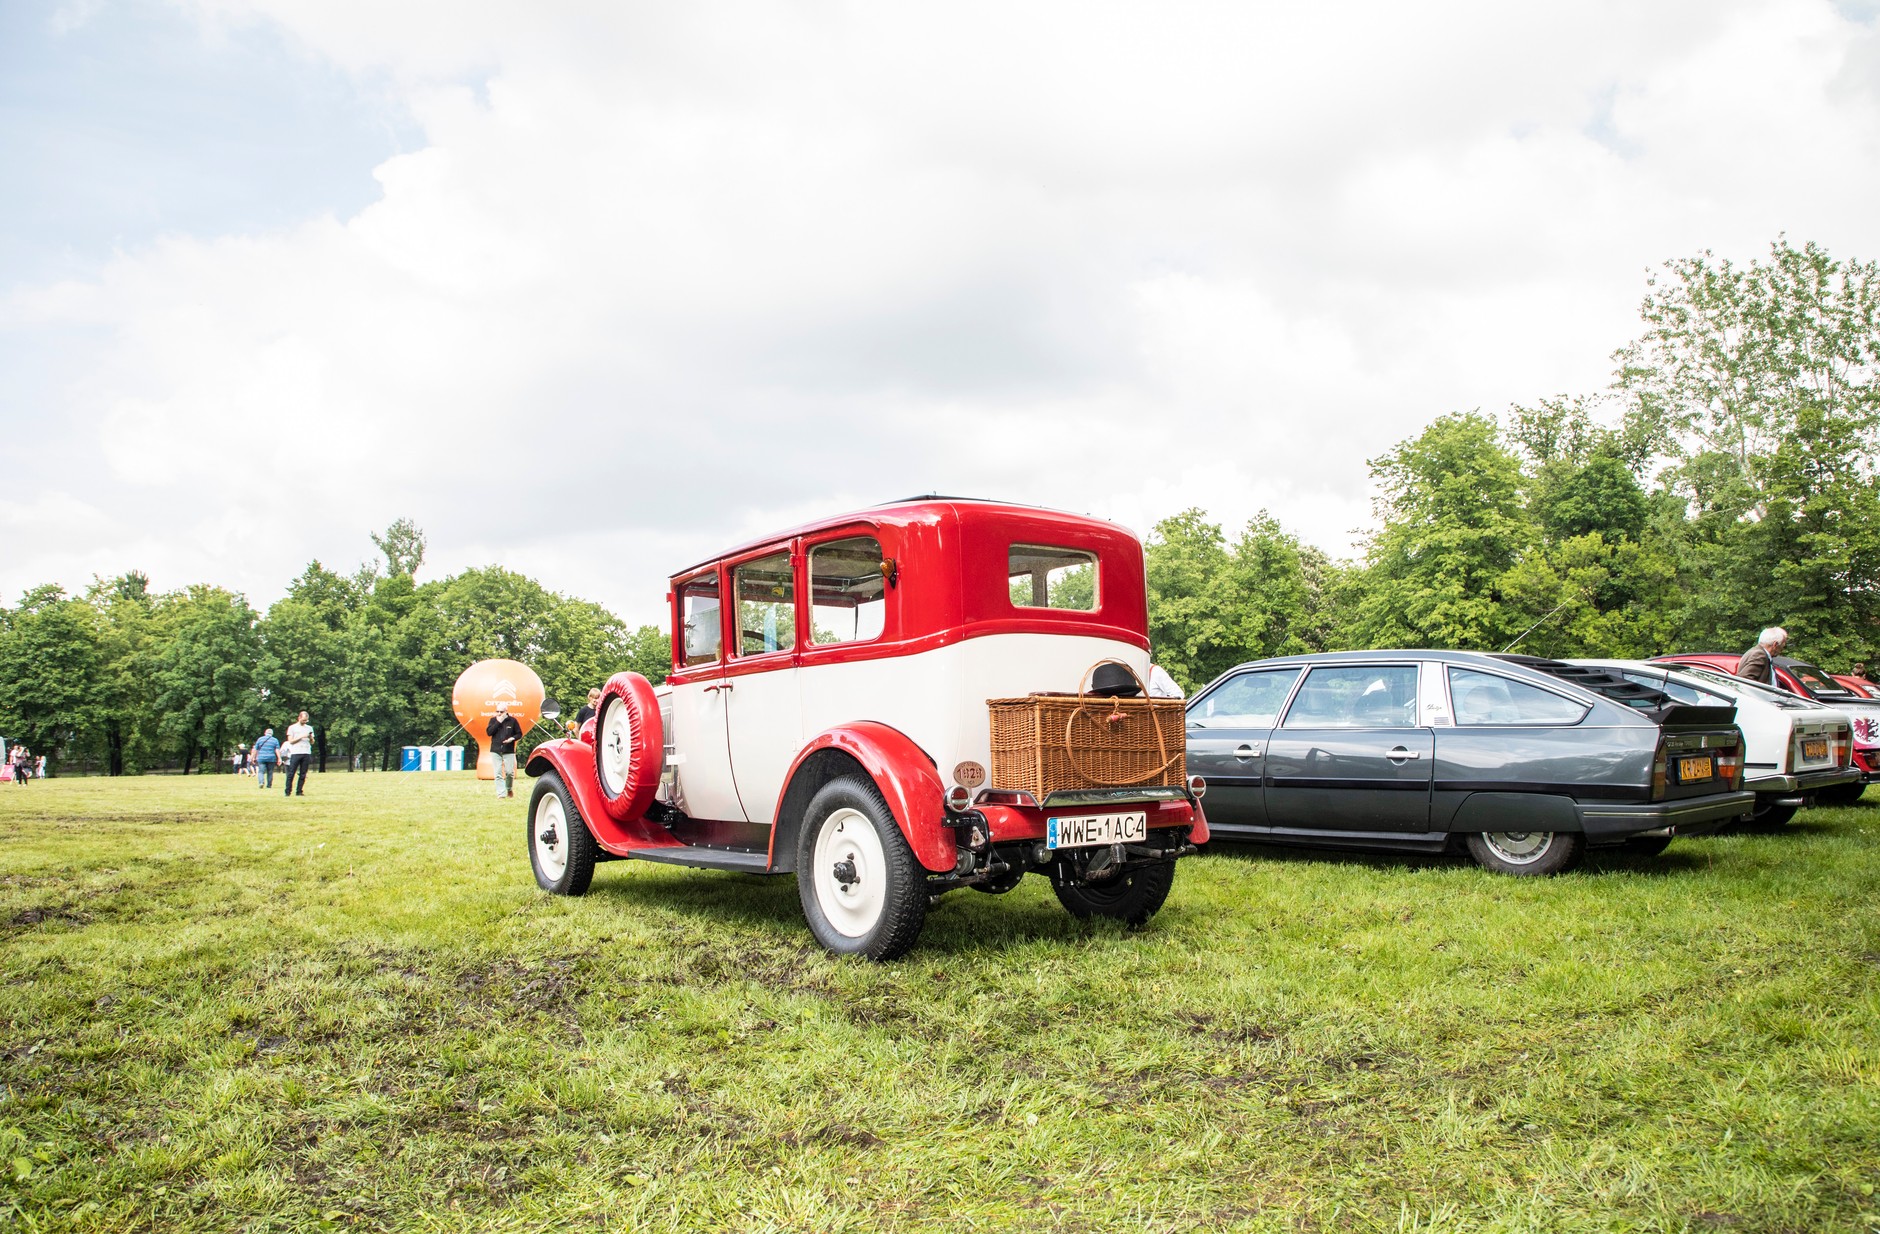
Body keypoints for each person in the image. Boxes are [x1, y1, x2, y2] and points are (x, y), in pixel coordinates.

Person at [486, 701, 524, 799]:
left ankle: (509, 788)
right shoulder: (493, 720)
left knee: (509, 772)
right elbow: (489, 732)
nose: (499, 713)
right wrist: (498, 722)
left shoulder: (513, 721)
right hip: (496, 750)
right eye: (497, 711)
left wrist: (512, 739)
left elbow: (519, 733)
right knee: (498, 773)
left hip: (509, 750)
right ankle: (501, 794)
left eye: (501, 712)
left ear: (506, 711)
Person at [282, 711, 314, 797]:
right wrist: (301, 737)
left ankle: (299, 791)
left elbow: (312, 742)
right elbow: (290, 741)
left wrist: (311, 738)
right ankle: (287, 791)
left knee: (303, 773)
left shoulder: (309, 728)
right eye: (303, 720)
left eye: (306, 720)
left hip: (306, 752)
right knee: (291, 773)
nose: (305, 722)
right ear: (299, 718)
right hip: (296, 752)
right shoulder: (292, 728)